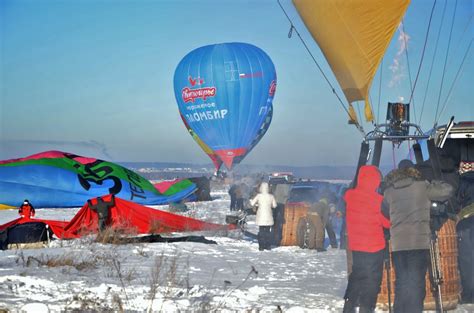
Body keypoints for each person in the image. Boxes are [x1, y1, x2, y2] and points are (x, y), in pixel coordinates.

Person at [383, 159, 453, 313]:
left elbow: (384, 212)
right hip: (418, 242)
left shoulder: (389, 191)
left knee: (402, 282)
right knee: (416, 283)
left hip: (398, 245)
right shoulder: (423, 187)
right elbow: (447, 191)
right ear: (413, 171)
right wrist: (434, 182)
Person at [342, 165, 390, 313]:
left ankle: (349, 306)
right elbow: (387, 222)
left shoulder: (350, 197)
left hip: (356, 246)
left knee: (356, 276)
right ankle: (366, 309)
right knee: (371, 282)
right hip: (374, 247)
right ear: (375, 181)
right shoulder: (378, 200)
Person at [456, 163, 474, 303]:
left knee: (467, 261)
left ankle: (469, 295)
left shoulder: (460, 182)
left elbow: (456, 203)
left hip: (467, 224)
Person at [250, 182, 277, 251]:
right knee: (268, 231)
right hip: (268, 216)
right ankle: (268, 246)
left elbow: (252, 203)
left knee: (261, 231)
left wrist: (251, 201)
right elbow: (274, 206)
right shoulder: (271, 196)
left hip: (261, 216)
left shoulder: (259, 196)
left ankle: (261, 246)